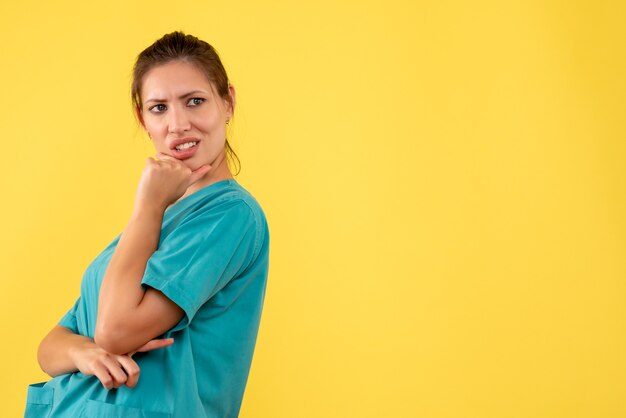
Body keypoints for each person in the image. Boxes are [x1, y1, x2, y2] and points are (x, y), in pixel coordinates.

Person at [24, 31, 270, 418]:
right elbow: (50, 347)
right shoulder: (151, 225)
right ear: (143, 119)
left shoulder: (229, 215)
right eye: (159, 108)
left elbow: (115, 331)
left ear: (228, 103)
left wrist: (147, 205)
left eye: (195, 101)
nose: (178, 124)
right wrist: (83, 353)